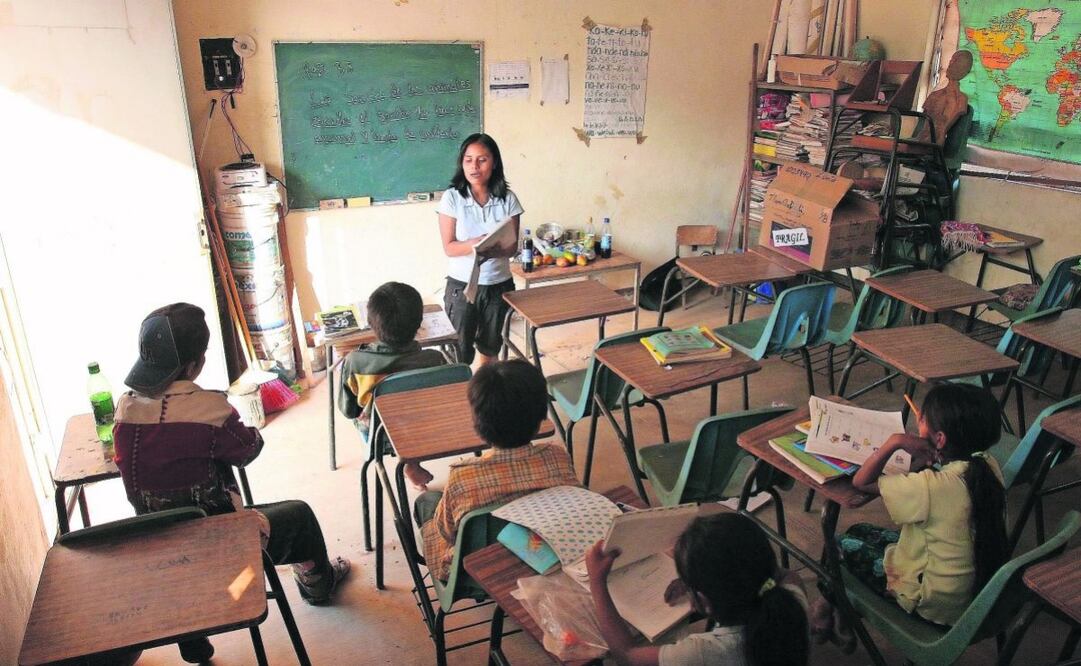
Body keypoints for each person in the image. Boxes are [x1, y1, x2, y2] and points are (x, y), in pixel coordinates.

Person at [113, 303, 350, 664]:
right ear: (196, 364)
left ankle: (194, 643)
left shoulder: (125, 410)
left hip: (155, 542)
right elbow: (247, 451)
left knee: (183, 519)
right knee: (299, 515)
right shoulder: (211, 409)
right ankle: (319, 586)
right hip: (217, 547)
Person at [816, 383, 1008, 638]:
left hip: (933, 602)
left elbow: (861, 482)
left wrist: (894, 442)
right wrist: (929, 459)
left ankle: (828, 611)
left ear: (940, 439)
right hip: (971, 592)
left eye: (922, 418)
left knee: (836, 545)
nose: (919, 420)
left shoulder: (931, 486)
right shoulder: (987, 465)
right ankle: (840, 612)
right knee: (859, 530)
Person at [414, 359, 578, 581]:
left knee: (427, 501)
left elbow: (447, 532)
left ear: (477, 422)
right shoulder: (557, 458)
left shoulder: (462, 477)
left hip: (473, 574)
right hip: (547, 560)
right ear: (542, 416)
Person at [585, 512, 810, 666]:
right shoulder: (792, 600)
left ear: (703, 602)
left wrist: (597, 581)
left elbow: (627, 656)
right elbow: (785, 574)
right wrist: (700, 578)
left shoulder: (705, 652)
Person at [337, 281, 447, 488]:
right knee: (411, 410)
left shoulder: (355, 362)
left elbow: (348, 410)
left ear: (371, 323)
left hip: (380, 436)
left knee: (371, 415)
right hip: (428, 430)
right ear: (419, 323)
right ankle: (411, 463)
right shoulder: (435, 360)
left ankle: (408, 463)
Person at [437, 133, 523, 365]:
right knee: (459, 352)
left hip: (498, 284)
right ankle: (461, 388)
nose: (474, 166)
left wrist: (495, 248)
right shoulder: (452, 198)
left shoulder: (508, 199)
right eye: (468, 160)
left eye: (482, 160)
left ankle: (484, 387)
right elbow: (449, 247)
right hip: (462, 286)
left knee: (490, 346)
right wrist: (476, 244)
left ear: (494, 163)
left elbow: (511, 247)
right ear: (462, 163)